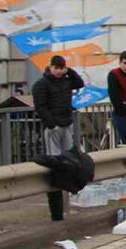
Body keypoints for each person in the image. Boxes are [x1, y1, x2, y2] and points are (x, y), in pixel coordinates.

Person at [32, 55, 85, 221]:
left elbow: (79, 83)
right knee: (55, 160)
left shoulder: (66, 80)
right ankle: (57, 198)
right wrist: (51, 124)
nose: (59, 72)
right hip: (53, 126)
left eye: (61, 69)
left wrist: (69, 71)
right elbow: (40, 106)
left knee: (68, 158)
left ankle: (68, 190)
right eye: (56, 68)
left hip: (66, 123)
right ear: (51, 67)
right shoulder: (41, 84)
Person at [107, 51, 126, 145]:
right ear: (120, 62)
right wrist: (123, 109)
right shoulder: (114, 74)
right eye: (125, 63)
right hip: (122, 114)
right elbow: (114, 95)